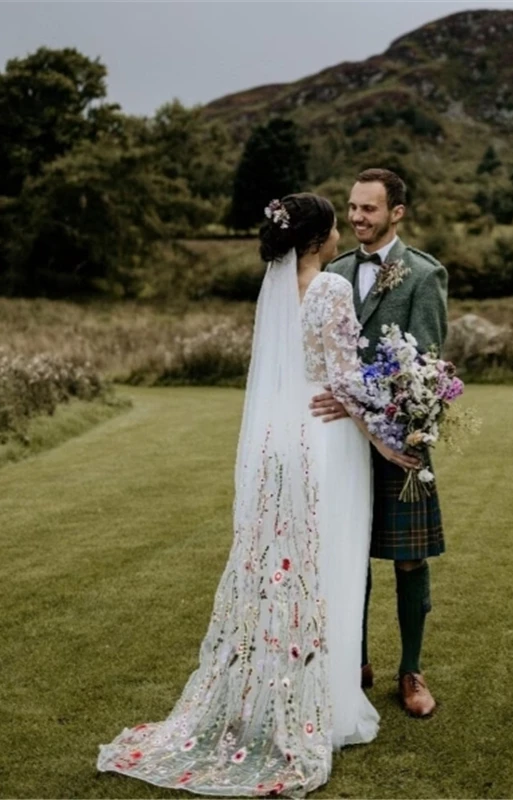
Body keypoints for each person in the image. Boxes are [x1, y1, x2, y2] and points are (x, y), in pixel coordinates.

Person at [96, 193, 417, 798]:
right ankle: (330, 710)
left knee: (278, 569)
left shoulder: (275, 291)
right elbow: (345, 379)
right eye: (333, 226)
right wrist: (388, 441)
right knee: (327, 568)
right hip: (327, 443)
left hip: (277, 439)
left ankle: (272, 698)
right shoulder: (329, 289)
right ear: (319, 238)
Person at [312, 168, 449, 718]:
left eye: (369, 209)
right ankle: (356, 661)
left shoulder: (423, 274)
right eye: (352, 207)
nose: (357, 217)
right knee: (349, 556)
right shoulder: (334, 272)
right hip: (341, 440)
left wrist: (401, 421)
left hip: (401, 436)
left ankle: (410, 671)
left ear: (397, 212)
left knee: (410, 559)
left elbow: (428, 364)